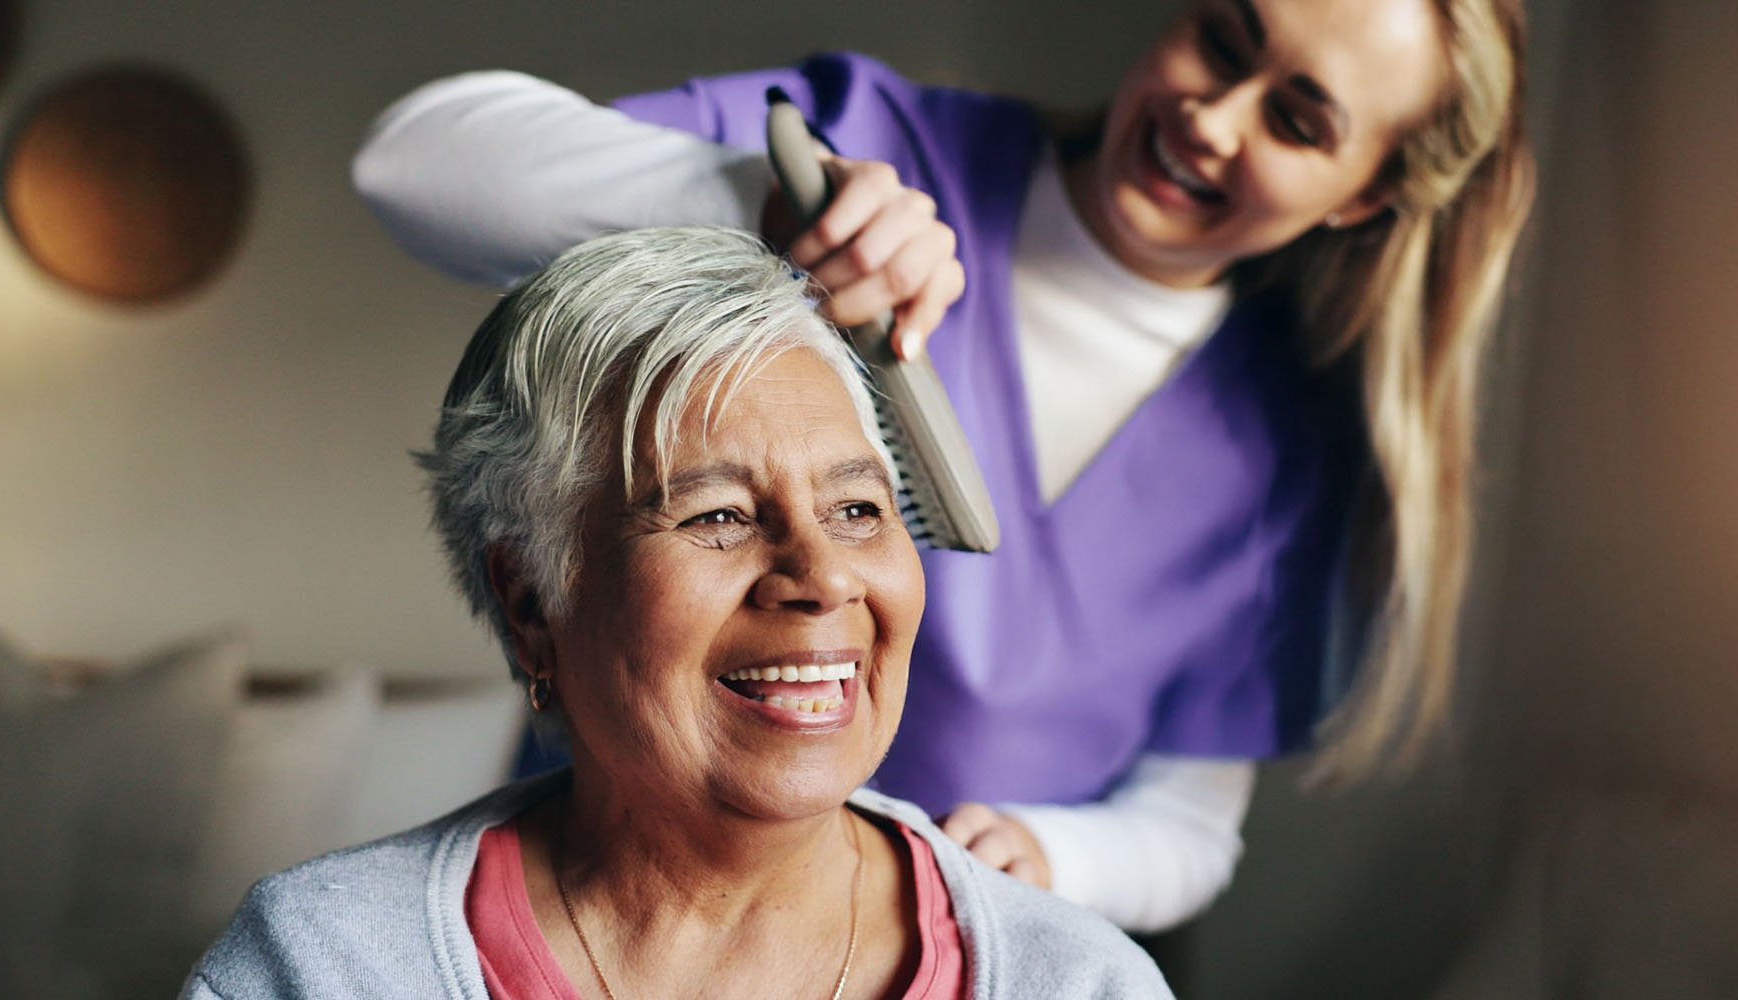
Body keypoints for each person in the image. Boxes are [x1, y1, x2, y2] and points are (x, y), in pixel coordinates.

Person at [350, 0, 1535, 933]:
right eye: (1223, 38)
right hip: (606, 903)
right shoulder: (872, 151)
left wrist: (1047, 856)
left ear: (1368, 192)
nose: (1214, 117)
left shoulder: (1290, 459)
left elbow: (1188, 826)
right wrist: (748, 204)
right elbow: (409, 168)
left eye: (1299, 119)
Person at [181, 227, 1171, 999]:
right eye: (720, 515)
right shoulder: (325, 965)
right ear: (534, 604)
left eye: (857, 508)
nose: (822, 576)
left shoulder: (1078, 979)